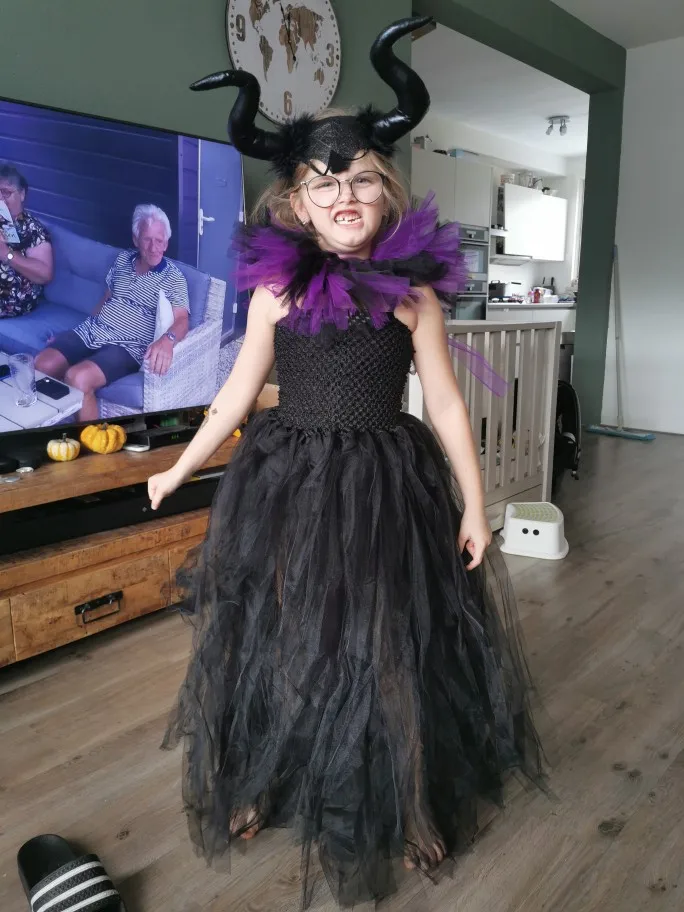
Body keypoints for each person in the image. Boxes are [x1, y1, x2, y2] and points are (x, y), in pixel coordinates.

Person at [148, 16, 544, 908]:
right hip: (287, 481)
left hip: (384, 483)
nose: (345, 197)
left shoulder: (414, 296)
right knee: (286, 639)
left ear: (385, 191)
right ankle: (266, 776)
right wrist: (180, 468)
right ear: (297, 203)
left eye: (361, 179)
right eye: (325, 185)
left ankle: (410, 801)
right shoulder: (274, 292)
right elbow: (236, 396)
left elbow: (447, 404)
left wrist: (475, 505)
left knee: (386, 641)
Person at [35, 204, 190, 421]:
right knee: (42, 364)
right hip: (93, 331)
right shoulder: (122, 260)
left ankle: (90, 440)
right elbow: (107, 299)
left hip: (127, 346)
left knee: (77, 378)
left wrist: (167, 340)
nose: (154, 247)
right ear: (136, 240)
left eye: (160, 240)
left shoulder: (173, 278)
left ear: (166, 242)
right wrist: (73, 334)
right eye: (147, 239)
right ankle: (54, 422)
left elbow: (182, 319)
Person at [0, 164, 54, 318]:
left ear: (22, 194)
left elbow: (44, 274)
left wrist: (6, 254)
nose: (0, 199)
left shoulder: (33, 229)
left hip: (10, 298)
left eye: (6, 192)